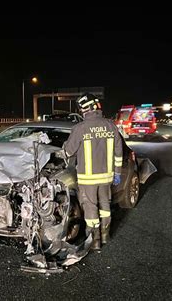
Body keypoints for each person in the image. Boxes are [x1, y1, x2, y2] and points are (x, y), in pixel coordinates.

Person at [63, 93, 123, 250]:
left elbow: (68, 152)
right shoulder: (111, 126)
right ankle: (105, 235)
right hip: (107, 177)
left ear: (84, 109)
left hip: (88, 179)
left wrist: (63, 146)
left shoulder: (80, 128)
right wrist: (117, 173)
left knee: (90, 208)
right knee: (105, 205)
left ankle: (94, 240)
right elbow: (119, 152)